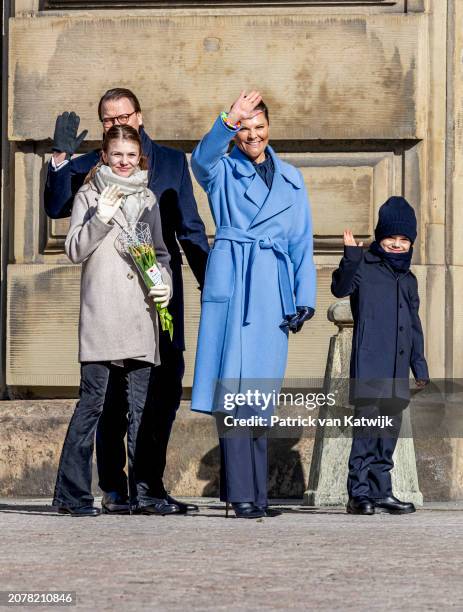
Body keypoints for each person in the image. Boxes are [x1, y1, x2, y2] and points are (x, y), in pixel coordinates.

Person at [45, 89, 210, 515]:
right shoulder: (90, 170)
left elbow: (184, 231)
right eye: (107, 119)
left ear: (140, 115)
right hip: (105, 306)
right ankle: (113, 487)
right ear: (102, 140)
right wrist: (61, 158)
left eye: (124, 115)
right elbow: (56, 207)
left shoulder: (171, 163)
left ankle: (148, 487)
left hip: (154, 302)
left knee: (158, 397)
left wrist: (205, 284)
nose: (121, 154)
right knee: (105, 403)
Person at [190, 91, 317, 518]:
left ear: (270, 130)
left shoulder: (292, 180)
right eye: (245, 128)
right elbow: (200, 160)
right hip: (234, 283)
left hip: (271, 291)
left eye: (259, 127)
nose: (253, 135)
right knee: (232, 392)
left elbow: (301, 243)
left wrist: (303, 299)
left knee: (260, 394)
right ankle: (241, 495)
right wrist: (227, 119)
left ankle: (257, 494)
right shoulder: (221, 171)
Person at [53, 125, 173, 516]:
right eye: (117, 154)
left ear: (141, 158)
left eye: (131, 155)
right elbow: (74, 250)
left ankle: (145, 493)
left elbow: (159, 253)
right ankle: (72, 495)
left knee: (143, 410)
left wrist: (164, 284)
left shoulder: (149, 198)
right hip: (103, 316)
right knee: (92, 406)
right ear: (104, 156)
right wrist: (100, 218)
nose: (124, 161)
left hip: (140, 315)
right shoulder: (89, 195)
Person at [331, 196, 429, 516]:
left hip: (398, 368)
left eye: (404, 240)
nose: (398, 245)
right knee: (367, 430)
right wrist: (350, 256)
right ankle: (358, 493)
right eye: (391, 238)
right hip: (371, 365)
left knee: (388, 432)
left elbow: (414, 324)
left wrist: (419, 365)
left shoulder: (409, 280)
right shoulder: (364, 266)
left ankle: (381, 490)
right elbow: (340, 288)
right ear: (380, 237)